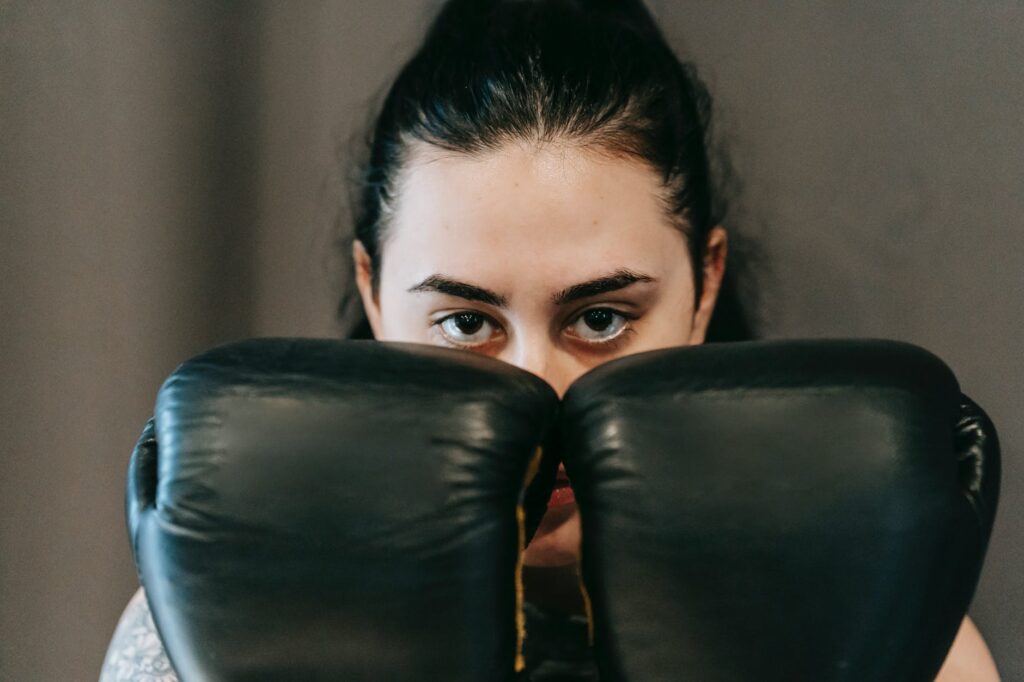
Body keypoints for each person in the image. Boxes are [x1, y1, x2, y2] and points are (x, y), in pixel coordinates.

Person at [100, 0, 1000, 679]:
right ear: (375, 298)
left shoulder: (895, 630)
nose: (536, 388)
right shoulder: (202, 621)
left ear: (704, 287)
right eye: (465, 323)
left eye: (600, 319)